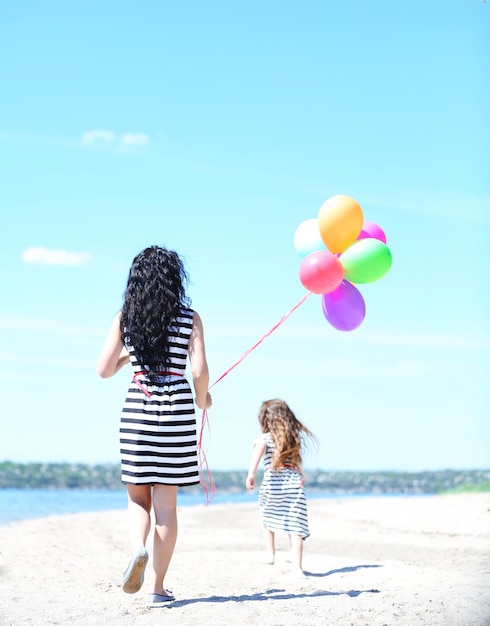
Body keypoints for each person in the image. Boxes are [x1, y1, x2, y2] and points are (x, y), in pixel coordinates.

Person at [96, 245, 212, 608]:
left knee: (137, 498)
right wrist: (202, 398)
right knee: (167, 505)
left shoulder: (124, 318)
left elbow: (104, 369)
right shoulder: (189, 319)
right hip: (176, 410)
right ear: (174, 279)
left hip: (138, 407)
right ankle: (158, 588)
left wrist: (133, 355)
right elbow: (198, 372)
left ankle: (137, 549)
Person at [245, 399, 317, 574]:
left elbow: (258, 452)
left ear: (265, 419)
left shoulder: (264, 438)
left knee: (266, 516)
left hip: (272, 483)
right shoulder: (293, 439)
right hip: (293, 484)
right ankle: (297, 567)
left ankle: (270, 554)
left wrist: (251, 474)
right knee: (296, 526)